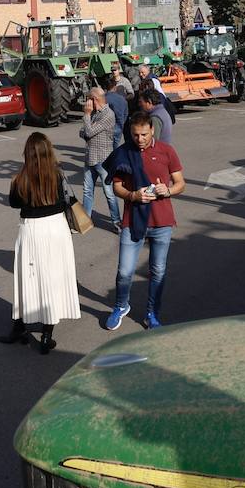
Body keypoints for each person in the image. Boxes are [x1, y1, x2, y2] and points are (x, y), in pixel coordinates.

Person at [104, 112, 185, 331]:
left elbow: (180, 183)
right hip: (133, 221)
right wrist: (133, 196)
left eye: (144, 134)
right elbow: (116, 186)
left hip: (162, 222)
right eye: (135, 134)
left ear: (152, 130)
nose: (139, 139)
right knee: (124, 271)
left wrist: (167, 190)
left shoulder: (167, 151)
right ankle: (121, 306)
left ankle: (152, 313)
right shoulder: (123, 152)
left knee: (157, 271)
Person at [1, 133, 81, 353]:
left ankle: (19, 326)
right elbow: (66, 200)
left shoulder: (20, 179)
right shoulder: (57, 174)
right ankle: (47, 335)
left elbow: (13, 203)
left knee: (27, 278)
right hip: (56, 229)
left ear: (27, 153)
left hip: (32, 230)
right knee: (52, 278)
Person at [79, 87, 121, 226]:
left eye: (88, 99)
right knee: (87, 191)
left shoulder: (108, 114)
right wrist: (88, 124)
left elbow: (89, 132)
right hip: (90, 157)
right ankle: (86, 221)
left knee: (109, 193)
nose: (86, 103)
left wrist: (86, 115)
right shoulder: (95, 113)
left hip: (103, 160)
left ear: (94, 99)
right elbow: (82, 131)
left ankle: (116, 222)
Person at [104, 81, 129, 150]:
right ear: (115, 88)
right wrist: (122, 122)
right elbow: (126, 113)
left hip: (107, 127)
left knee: (106, 148)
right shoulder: (122, 99)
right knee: (115, 146)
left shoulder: (104, 99)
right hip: (119, 126)